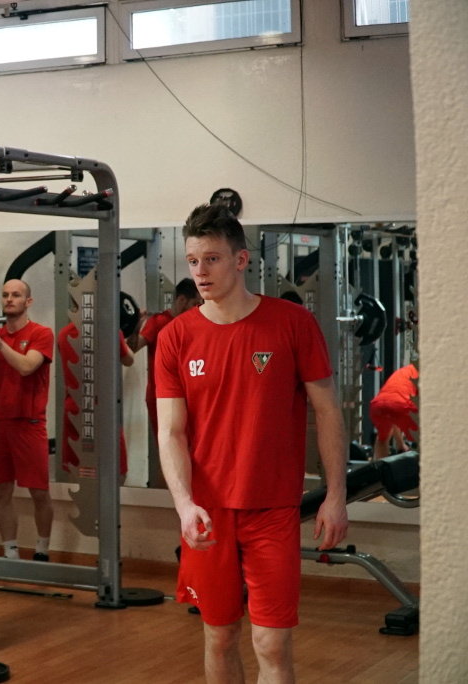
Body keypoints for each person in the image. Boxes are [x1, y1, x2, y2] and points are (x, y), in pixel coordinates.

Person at [156, 203, 349, 684]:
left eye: (212, 259)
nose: (201, 271)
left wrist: (336, 495)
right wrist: (184, 505)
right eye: (193, 260)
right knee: (219, 637)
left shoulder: (292, 323)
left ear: (241, 260)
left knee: (271, 643)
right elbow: (171, 431)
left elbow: (328, 411)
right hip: (209, 513)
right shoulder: (176, 337)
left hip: (273, 507)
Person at [0, 279, 55, 562]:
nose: (9, 299)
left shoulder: (41, 333)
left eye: (16, 295)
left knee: (39, 491)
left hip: (29, 423)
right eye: (5, 295)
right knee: (1, 490)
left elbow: (26, 366)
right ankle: (10, 552)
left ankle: (42, 549)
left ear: (28, 302)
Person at [56, 317, 133, 479]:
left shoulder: (63, 334)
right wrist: (133, 329)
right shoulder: (110, 330)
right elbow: (128, 359)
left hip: (76, 409)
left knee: (80, 473)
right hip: (102, 410)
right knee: (117, 471)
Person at [129, 278, 202, 436]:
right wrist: (135, 327)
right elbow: (133, 348)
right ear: (182, 300)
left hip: (187, 395)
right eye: (195, 304)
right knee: (169, 442)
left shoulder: (192, 324)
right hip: (161, 396)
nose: (197, 308)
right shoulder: (158, 322)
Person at [368, 364, 419, 460]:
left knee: (382, 438)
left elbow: (392, 415)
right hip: (398, 405)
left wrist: (401, 444)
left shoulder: (403, 371)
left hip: (377, 404)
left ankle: (379, 466)